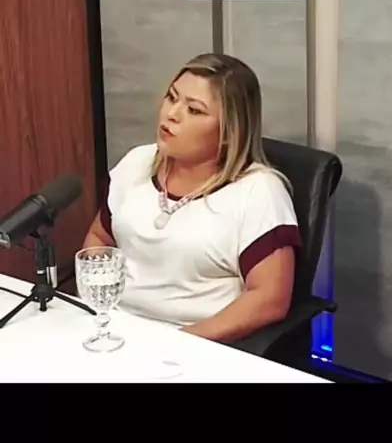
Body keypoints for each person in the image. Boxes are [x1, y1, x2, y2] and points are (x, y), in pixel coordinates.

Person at [82, 53, 302, 343]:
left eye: (194, 110)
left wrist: (178, 344)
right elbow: (100, 238)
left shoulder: (259, 191)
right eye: (172, 98)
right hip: (114, 331)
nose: (172, 114)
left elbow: (269, 299)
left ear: (228, 131)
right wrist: (99, 306)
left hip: (195, 344)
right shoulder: (136, 162)